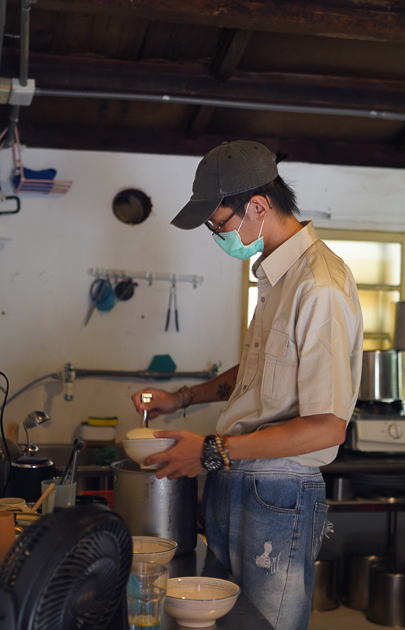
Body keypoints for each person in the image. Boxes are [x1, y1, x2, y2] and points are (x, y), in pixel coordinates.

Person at [130, 140, 363, 630]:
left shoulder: (318, 284)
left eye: (219, 223)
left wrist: (212, 450)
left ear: (258, 206)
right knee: (226, 620)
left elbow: (327, 427)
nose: (218, 234)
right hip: (239, 479)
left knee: (263, 624)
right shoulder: (277, 278)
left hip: (277, 491)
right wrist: (181, 399)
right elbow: (255, 375)